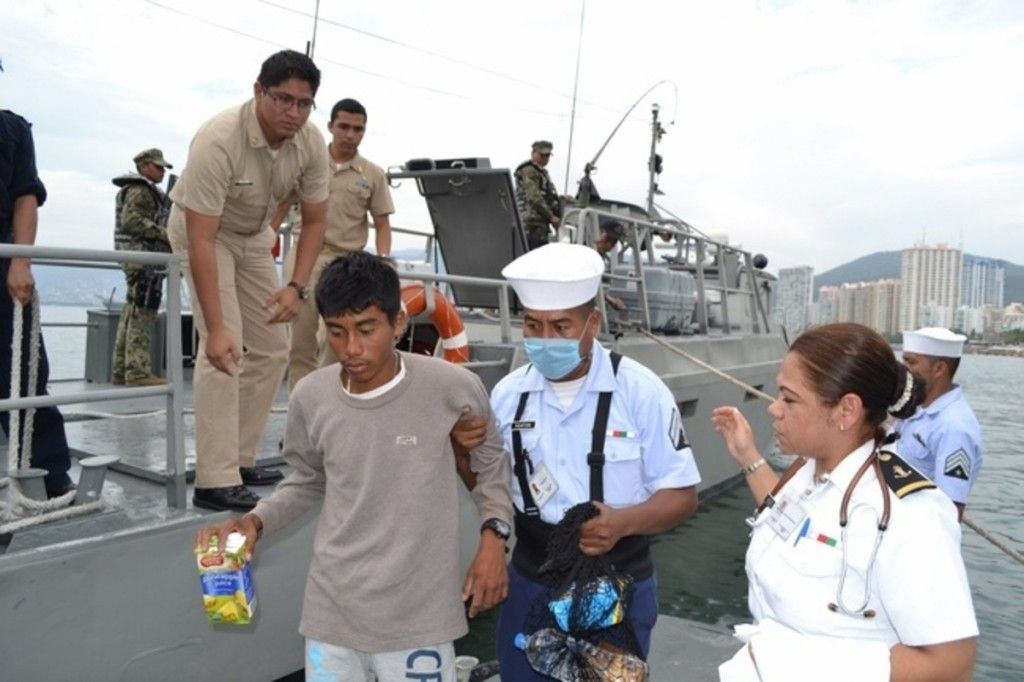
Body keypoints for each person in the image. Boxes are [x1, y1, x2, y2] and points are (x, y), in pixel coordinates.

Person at [196, 252, 513, 682]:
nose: (352, 349)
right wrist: (255, 522)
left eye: (367, 330)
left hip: (419, 620)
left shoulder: (452, 388)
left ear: (398, 323)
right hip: (332, 618)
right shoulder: (310, 397)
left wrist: (494, 538)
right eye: (338, 332)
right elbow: (306, 480)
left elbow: (491, 467)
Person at [452, 243, 700, 679]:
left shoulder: (641, 393)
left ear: (593, 324)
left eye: (561, 326)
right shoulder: (508, 396)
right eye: (533, 325)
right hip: (531, 579)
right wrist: (460, 450)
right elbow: (486, 484)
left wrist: (623, 522)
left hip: (615, 586)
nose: (545, 340)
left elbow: (682, 496)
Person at [712, 323, 977, 681]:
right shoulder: (805, 474)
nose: (774, 409)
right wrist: (747, 456)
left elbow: (952, 662)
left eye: (789, 399)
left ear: (847, 410)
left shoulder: (911, 515)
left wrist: (794, 666)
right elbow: (788, 524)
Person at [167, 50, 330, 511]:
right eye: (283, 99)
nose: (293, 113)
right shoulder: (218, 141)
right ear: (259, 91)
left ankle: (237, 459)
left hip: (254, 236)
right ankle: (214, 479)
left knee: (274, 346)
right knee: (225, 348)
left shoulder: (310, 143)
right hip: (206, 234)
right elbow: (200, 239)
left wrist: (295, 288)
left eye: (304, 103)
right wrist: (216, 328)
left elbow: (316, 221)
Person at [283, 97, 394, 392]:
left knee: (340, 343)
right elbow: (281, 204)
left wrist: (383, 259)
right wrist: (263, 238)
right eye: (344, 126)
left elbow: (382, 222)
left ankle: (329, 408)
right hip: (305, 258)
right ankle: (301, 414)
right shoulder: (308, 164)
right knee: (300, 343)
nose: (350, 134)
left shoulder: (372, 174)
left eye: (358, 129)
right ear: (331, 126)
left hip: (346, 263)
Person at [0, 104, 74, 498]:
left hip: (3, 265)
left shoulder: (12, 129)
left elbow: (25, 195)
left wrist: (20, 261)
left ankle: (50, 478)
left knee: (25, 376)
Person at [895, 327, 982, 520]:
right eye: (904, 360)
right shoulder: (915, 408)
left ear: (939, 369)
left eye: (911, 362)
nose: (904, 369)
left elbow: (950, 510)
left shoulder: (953, 427)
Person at [110, 147, 173, 387]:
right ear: (143, 166)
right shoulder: (140, 191)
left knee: (132, 311)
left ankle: (120, 369)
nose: (162, 172)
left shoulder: (133, 190)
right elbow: (131, 221)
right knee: (143, 313)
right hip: (143, 258)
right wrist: (165, 234)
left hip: (135, 257)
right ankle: (136, 372)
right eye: (158, 167)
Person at [514, 140, 562, 250]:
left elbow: (547, 195)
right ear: (533, 153)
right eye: (542, 155)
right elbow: (534, 197)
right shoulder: (529, 170)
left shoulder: (542, 173)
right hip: (531, 225)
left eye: (547, 155)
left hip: (540, 225)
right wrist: (552, 217)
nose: (545, 158)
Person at [595, 218, 626, 312]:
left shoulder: (600, 258)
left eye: (614, 242)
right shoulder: (582, 248)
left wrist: (611, 300)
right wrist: (611, 300)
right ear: (600, 233)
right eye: (608, 239)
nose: (610, 245)